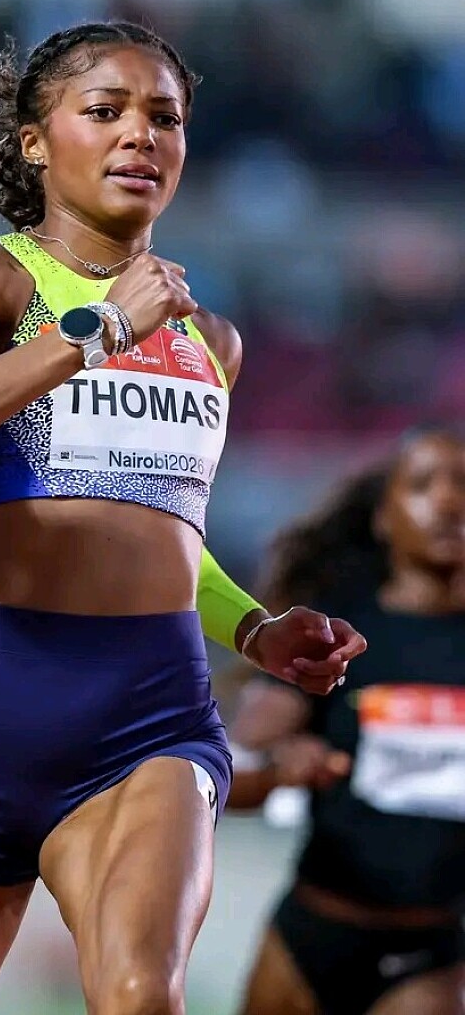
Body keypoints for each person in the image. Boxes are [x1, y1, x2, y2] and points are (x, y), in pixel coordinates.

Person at [0, 21, 366, 1015]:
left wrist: (255, 628)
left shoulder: (211, 341)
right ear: (36, 142)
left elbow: (161, 536)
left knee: (140, 995)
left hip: (148, 720)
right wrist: (94, 332)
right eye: (105, 111)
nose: (140, 134)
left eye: (164, 117)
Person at [226, 426, 465, 1015]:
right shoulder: (339, 635)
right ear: (382, 519)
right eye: (423, 486)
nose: (448, 502)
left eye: (464, 486)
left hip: (430, 951)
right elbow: (227, 777)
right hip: (309, 936)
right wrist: (281, 769)